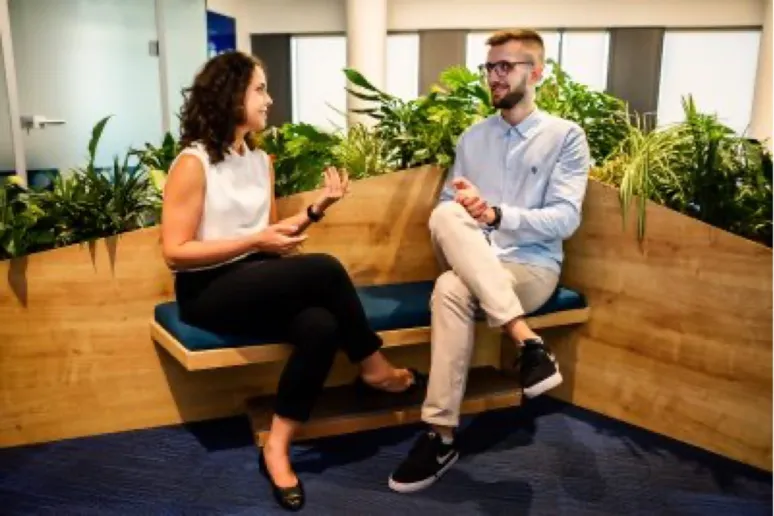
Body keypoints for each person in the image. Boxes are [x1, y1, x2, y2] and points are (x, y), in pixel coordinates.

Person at [160, 51, 422, 512]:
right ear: (231, 96)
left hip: (253, 280)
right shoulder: (193, 162)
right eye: (260, 89)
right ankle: (374, 365)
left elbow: (271, 237)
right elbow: (175, 252)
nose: (269, 99)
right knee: (323, 268)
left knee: (320, 326)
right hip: (207, 290)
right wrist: (255, 240)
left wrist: (317, 209)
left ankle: (278, 446)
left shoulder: (260, 161)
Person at [388, 29, 591, 493]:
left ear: (536, 72)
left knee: (450, 290)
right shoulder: (473, 137)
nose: (494, 77)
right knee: (444, 212)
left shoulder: (565, 137)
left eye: (506, 67)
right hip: (470, 252)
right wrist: (471, 214)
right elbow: (448, 210)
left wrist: (497, 215)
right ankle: (527, 342)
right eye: (490, 67)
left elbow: (565, 219)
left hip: (530, 268)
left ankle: (439, 435)